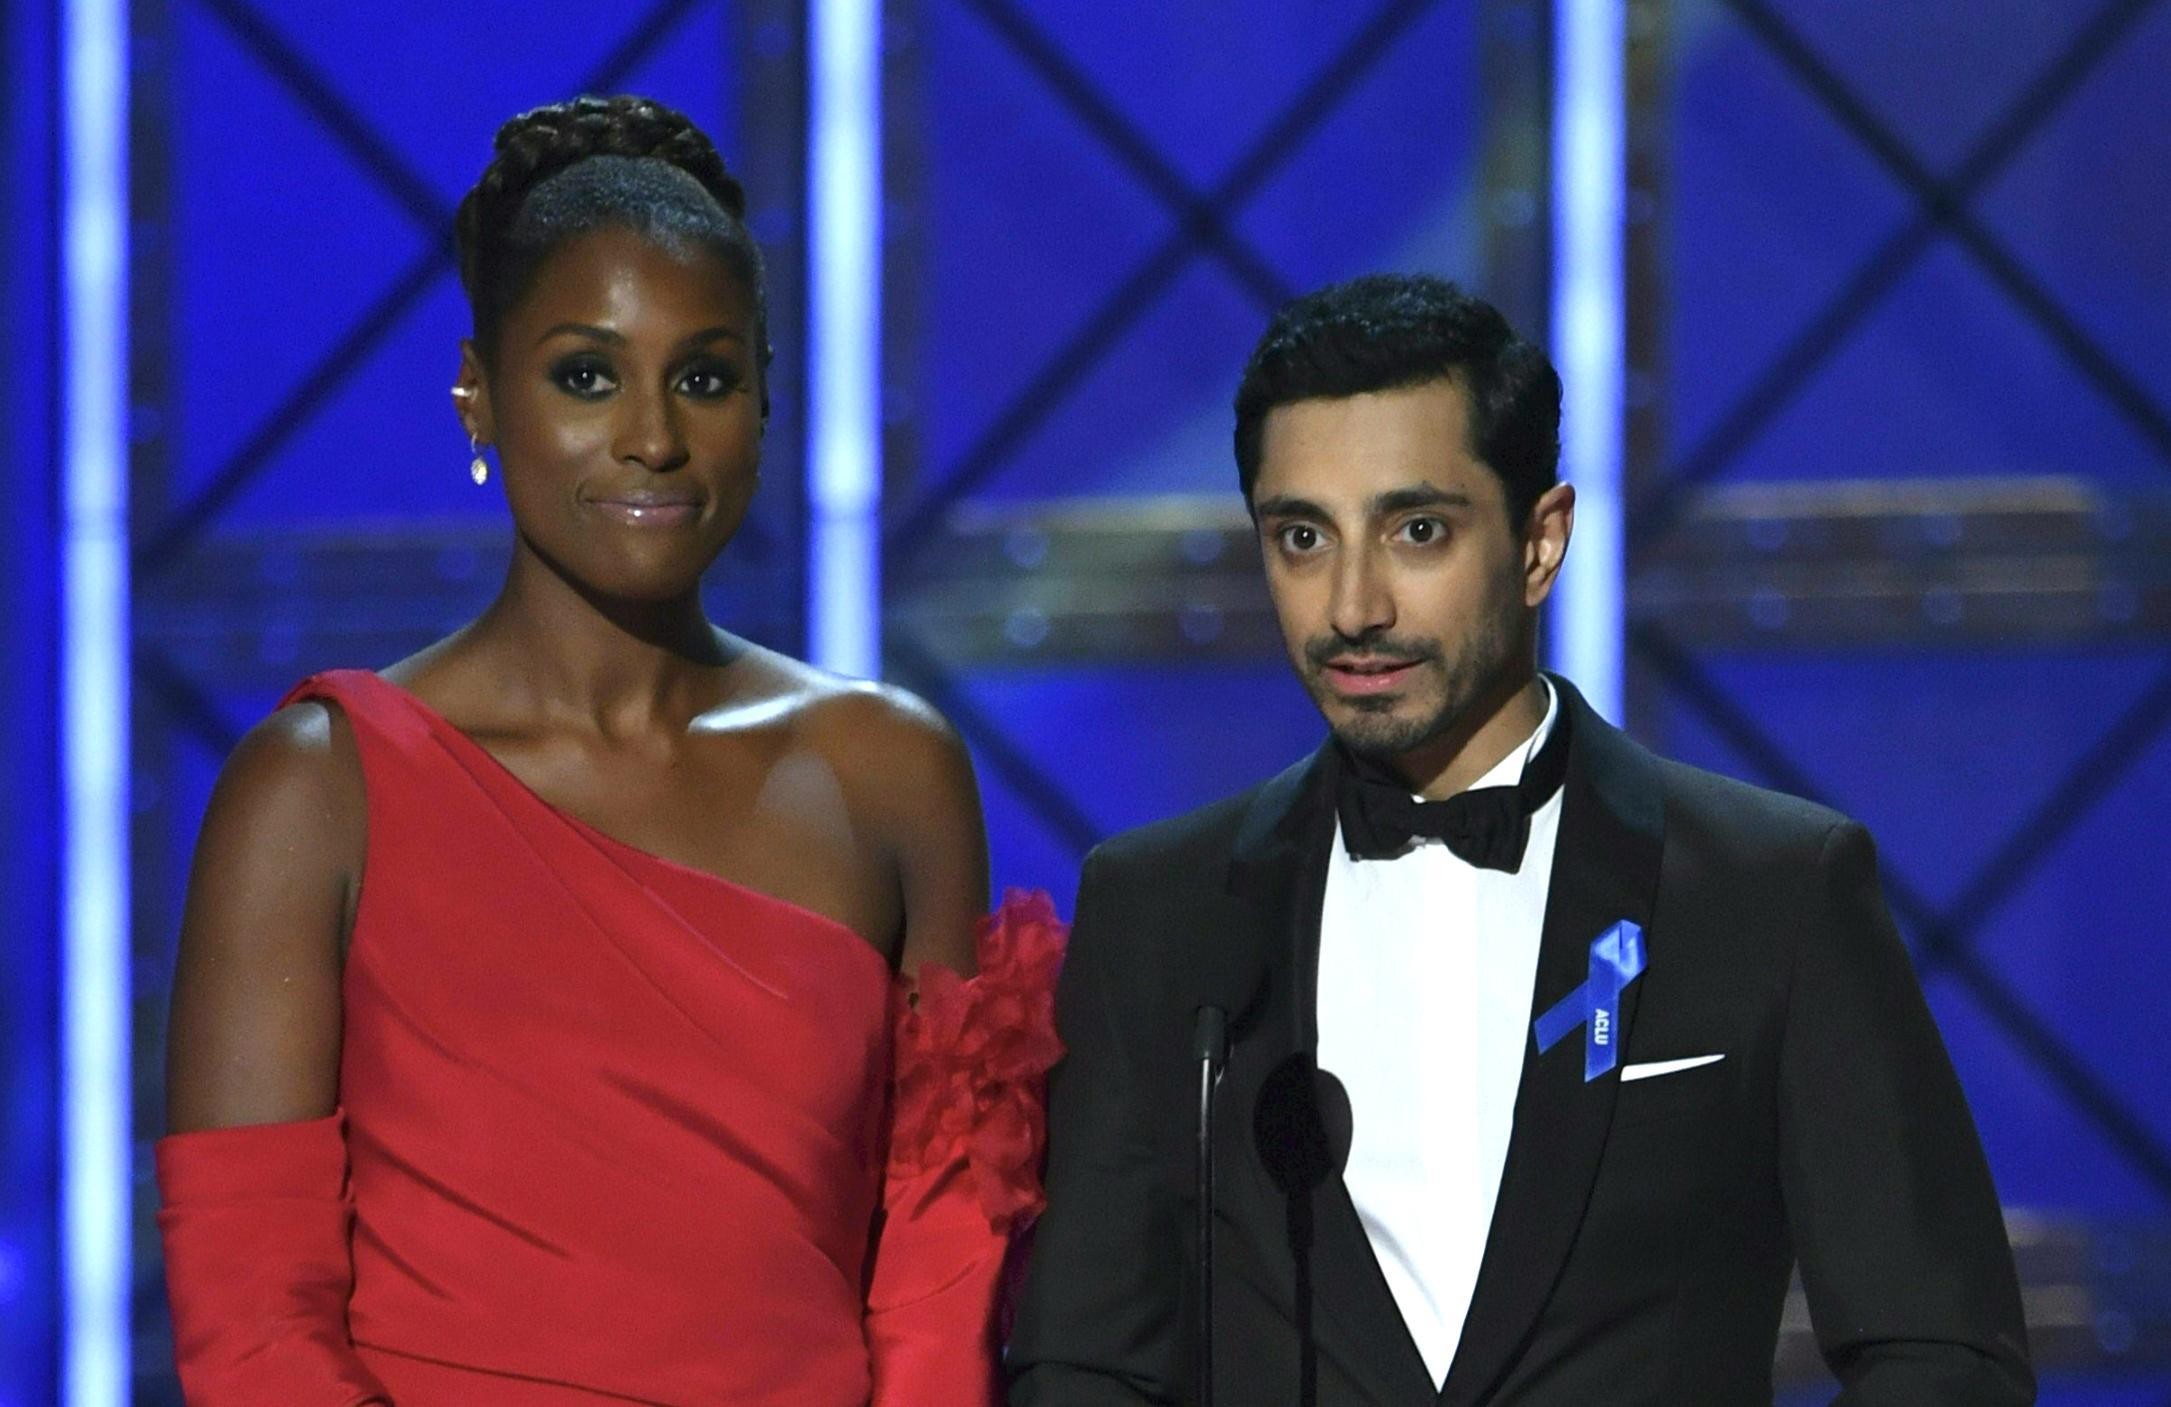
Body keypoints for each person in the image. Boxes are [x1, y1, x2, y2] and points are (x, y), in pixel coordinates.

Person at [157, 94, 1062, 1406]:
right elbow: (254, 1331)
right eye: (586, 374)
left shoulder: (886, 770)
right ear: (478, 392)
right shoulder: (318, 789)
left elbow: (935, 1287)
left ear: (763, 398)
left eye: (702, 377)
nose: (650, 435)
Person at [1006, 274, 2032, 1405]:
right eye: (1301, 536)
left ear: (1539, 542)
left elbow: (1938, 1349)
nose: (1352, 604)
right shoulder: (1161, 912)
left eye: (1416, 530)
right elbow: (1086, 1365)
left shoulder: (1769, 891)